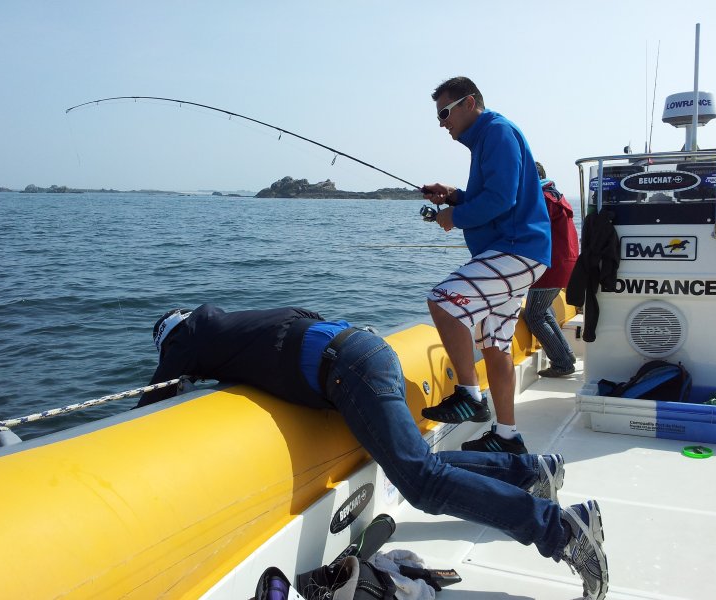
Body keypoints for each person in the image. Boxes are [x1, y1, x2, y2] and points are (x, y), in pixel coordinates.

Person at [137, 303, 608, 600]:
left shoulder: (189, 336)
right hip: (361, 352)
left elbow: (154, 396)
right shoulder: (237, 323)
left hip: (347, 372)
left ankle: (559, 530)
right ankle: (529, 471)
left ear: (169, 335)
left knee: (422, 484)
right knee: (415, 466)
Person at [420, 76, 551, 456]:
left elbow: (500, 199)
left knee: (443, 300)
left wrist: (453, 216)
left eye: (445, 112)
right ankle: (507, 437)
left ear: (470, 103)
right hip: (516, 253)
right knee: (495, 347)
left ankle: (468, 395)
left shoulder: (496, 132)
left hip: (516, 250)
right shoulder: (486, 140)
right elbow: (489, 193)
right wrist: (454, 195)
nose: (443, 122)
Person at [524, 162, 579, 377]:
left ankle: (562, 363)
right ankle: (566, 356)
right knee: (544, 311)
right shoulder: (555, 195)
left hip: (551, 266)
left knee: (535, 315)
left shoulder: (542, 199)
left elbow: (534, 232)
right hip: (565, 263)